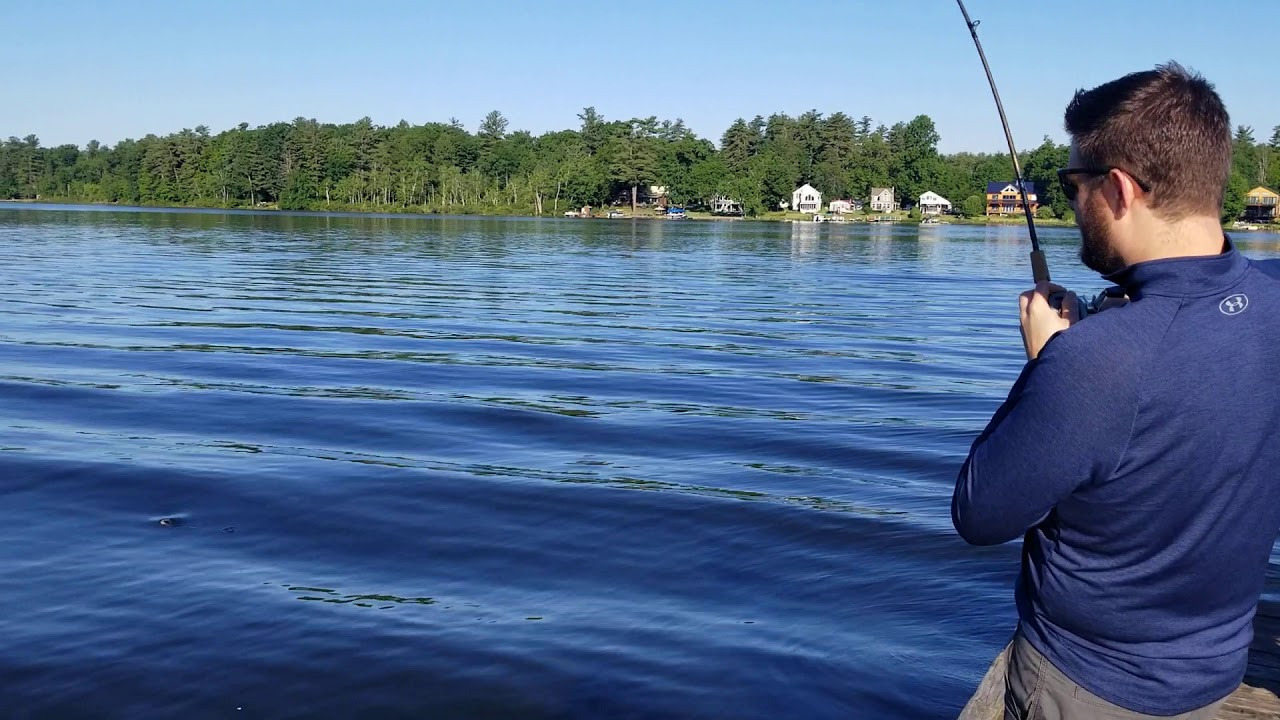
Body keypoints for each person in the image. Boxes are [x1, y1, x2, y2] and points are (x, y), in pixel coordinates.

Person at [952, 62, 1280, 719]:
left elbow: (979, 513)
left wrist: (1049, 359)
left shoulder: (1096, 364)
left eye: (1074, 184)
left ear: (1120, 190)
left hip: (1088, 688)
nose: (1070, 204)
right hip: (1217, 670)